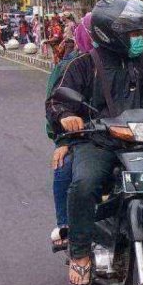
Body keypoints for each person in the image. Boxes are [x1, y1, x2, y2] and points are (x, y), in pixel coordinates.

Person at [46, 0, 143, 285]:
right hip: (97, 142)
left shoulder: (141, 63)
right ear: (110, 34)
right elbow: (56, 102)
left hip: (136, 142)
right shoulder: (82, 64)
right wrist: (67, 116)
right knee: (85, 184)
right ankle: (80, 254)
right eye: (134, 33)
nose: (141, 38)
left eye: (141, 32)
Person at [45, 17, 95, 249]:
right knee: (63, 166)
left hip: (121, 134)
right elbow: (53, 106)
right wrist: (62, 139)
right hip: (79, 135)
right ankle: (66, 227)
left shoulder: (125, 61)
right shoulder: (69, 66)